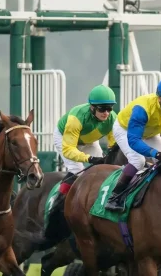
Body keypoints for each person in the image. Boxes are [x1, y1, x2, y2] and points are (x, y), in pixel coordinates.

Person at [103, 76, 161, 212]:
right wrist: (154, 153)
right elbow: (134, 140)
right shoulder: (142, 108)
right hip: (125, 130)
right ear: (160, 98)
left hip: (150, 132)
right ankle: (115, 197)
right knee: (138, 160)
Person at [45, 85, 118, 234]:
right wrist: (89, 158)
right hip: (65, 139)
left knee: (103, 170)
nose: (106, 113)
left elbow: (113, 145)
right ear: (92, 107)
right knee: (77, 171)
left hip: (89, 140)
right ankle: (57, 203)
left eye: (109, 108)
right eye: (102, 109)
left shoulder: (112, 118)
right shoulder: (76, 118)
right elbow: (69, 150)